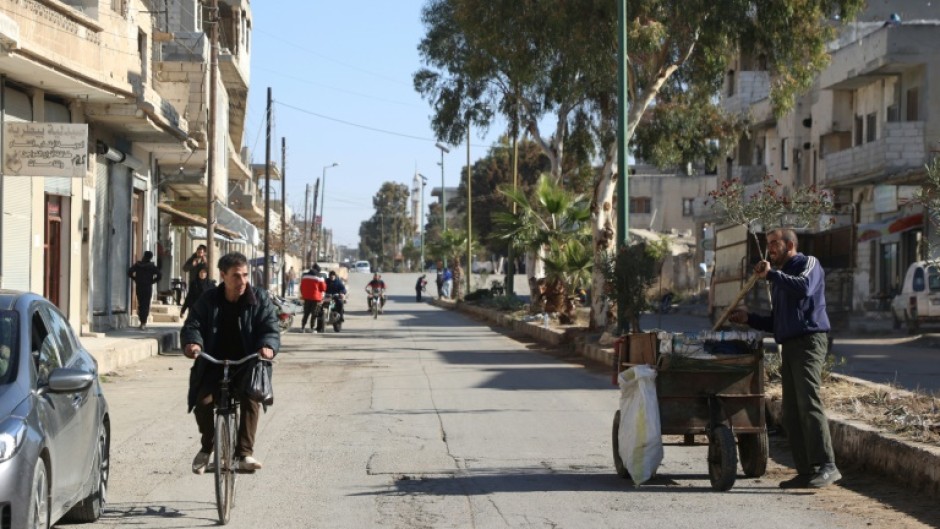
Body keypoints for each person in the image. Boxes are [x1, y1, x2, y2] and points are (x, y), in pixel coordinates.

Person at [729, 228, 840, 489]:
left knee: (809, 402)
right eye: (768, 244)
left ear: (790, 244)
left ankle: (827, 465)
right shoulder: (778, 281)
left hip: (809, 342)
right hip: (789, 345)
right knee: (791, 412)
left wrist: (772, 275)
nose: (770, 249)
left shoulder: (808, 264)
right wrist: (750, 318)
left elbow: (803, 288)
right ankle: (806, 470)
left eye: (774, 244)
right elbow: (777, 322)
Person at [182, 252, 279, 473]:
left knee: (251, 397)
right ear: (223, 275)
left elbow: (269, 327)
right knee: (204, 402)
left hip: (248, 363)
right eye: (236, 276)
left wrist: (268, 346)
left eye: (245, 275)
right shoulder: (208, 299)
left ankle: (244, 453)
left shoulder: (259, 299)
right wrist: (192, 343)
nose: (242, 281)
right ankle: (208, 447)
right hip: (213, 364)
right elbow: (192, 324)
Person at [128, 250, 162, 330]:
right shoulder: (151, 266)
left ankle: (141, 321)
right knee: (145, 304)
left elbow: (129, 272)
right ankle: (143, 322)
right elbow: (159, 275)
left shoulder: (138, 265)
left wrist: (135, 278)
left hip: (139, 286)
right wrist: (152, 281)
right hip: (147, 287)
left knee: (140, 303)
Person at [299, 264, 326, 333]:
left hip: (306, 297)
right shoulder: (319, 277)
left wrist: (303, 294)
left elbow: (301, 287)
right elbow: (323, 288)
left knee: (306, 313)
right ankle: (311, 328)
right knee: (314, 313)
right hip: (316, 298)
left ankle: (302, 327)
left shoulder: (304, 276)